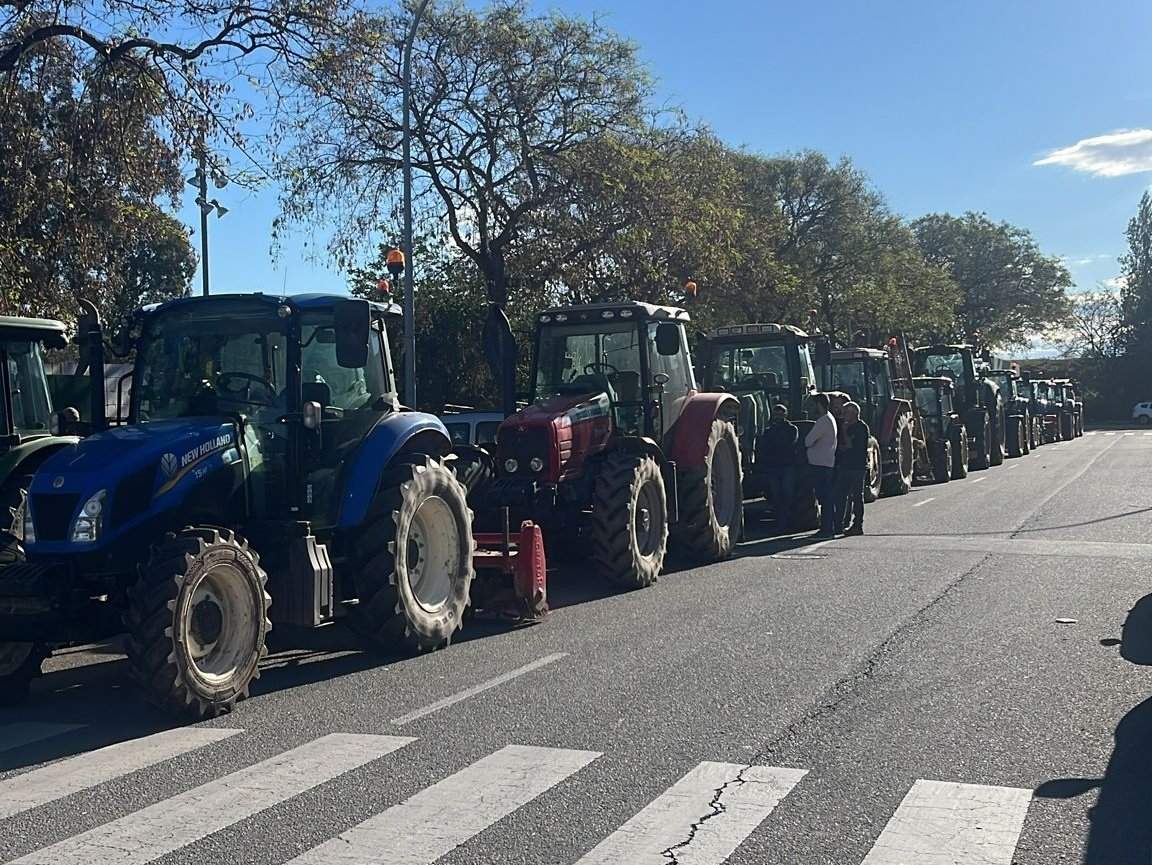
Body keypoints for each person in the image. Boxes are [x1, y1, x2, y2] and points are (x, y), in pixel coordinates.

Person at [804, 392, 838, 538]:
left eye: (813, 405)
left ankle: (827, 528)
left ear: (819, 405)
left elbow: (808, 441)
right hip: (825, 462)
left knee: (824, 498)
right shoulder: (829, 419)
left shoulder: (823, 421)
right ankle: (829, 526)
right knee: (826, 497)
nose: (811, 408)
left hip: (820, 464)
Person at [759, 403, 798, 530]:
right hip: (773, 467)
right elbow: (764, 446)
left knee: (787, 494)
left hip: (787, 466)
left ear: (785, 415)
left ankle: (788, 521)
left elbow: (788, 443)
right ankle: (780, 523)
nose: (778, 417)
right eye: (776, 414)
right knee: (776, 496)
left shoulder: (791, 429)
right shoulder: (768, 431)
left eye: (781, 414)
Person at [835, 401, 870, 535]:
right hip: (845, 465)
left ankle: (857, 525)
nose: (844, 416)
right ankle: (841, 523)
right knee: (841, 495)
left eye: (846, 413)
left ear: (854, 413)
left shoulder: (861, 428)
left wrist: (844, 431)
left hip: (857, 467)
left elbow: (849, 445)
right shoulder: (848, 427)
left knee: (857, 496)